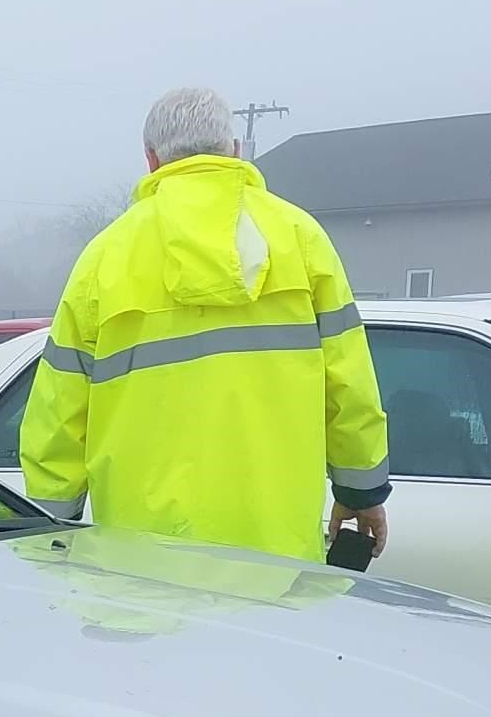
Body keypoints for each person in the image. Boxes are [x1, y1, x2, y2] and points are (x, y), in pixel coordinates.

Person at [20, 86, 392, 564]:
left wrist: (50, 536)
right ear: (234, 149)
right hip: (276, 564)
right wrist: (361, 493)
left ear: (151, 159)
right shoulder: (300, 241)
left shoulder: (104, 259)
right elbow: (350, 386)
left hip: (143, 567)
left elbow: (57, 417)